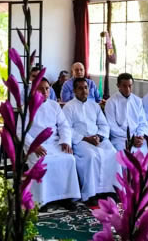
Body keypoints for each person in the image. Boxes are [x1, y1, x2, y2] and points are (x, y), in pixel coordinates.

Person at [22, 78, 80, 210]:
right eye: (41, 89)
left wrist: (65, 141)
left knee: (69, 158)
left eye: (47, 88)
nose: (45, 92)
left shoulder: (54, 105)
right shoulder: (27, 107)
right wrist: (34, 145)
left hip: (54, 143)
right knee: (43, 161)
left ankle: (66, 197)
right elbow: (21, 131)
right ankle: (41, 200)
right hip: (36, 146)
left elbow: (64, 125)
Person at [62, 77, 119, 204]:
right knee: (91, 156)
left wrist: (99, 136)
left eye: (86, 88)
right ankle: (91, 194)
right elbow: (66, 128)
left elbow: (104, 125)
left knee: (113, 154)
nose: (84, 91)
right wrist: (85, 138)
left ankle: (111, 190)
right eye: (80, 88)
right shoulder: (68, 107)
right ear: (74, 91)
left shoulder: (94, 106)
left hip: (98, 139)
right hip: (80, 140)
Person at [104, 73, 148, 154]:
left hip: (137, 136)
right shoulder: (111, 102)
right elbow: (112, 126)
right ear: (118, 86)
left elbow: (143, 122)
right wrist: (131, 138)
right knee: (129, 154)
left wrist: (140, 136)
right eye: (124, 86)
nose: (128, 89)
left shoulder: (138, 101)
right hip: (120, 139)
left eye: (130, 86)